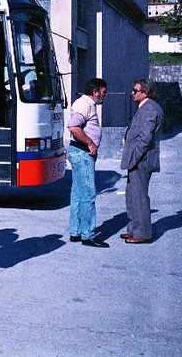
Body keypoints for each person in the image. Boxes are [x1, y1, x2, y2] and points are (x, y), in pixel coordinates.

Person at [66, 78, 110, 248]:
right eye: (104, 92)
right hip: (82, 153)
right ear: (96, 91)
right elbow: (73, 127)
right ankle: (88, 235)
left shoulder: (86, 104)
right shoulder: (85, 104)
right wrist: (90, 143)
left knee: (78, 193)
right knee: (88, 195)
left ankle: (76, 232)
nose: (104, 95)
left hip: (80, 152)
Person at [120, 79, 164, 244]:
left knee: (139, 197)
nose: (132, 93)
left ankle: (142, 233)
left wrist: (134, 158)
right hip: (137, 159)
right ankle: (133, 229)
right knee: (132, 195)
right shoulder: (145, 107)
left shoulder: (149, 109)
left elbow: (145, 139)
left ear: (145, 93)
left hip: (141, 160)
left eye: (135, 91)